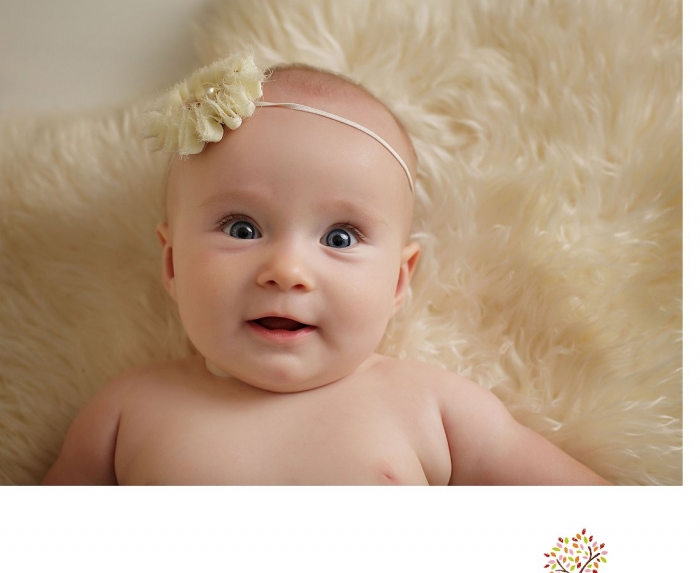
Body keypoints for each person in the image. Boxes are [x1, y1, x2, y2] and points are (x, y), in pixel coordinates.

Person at [42, 51, 609, 486]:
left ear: (398, 282)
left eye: (340, 237)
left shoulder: (435, 407)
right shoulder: (126, 409)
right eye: (242, 229)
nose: (286, 270)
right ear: (171, 263)